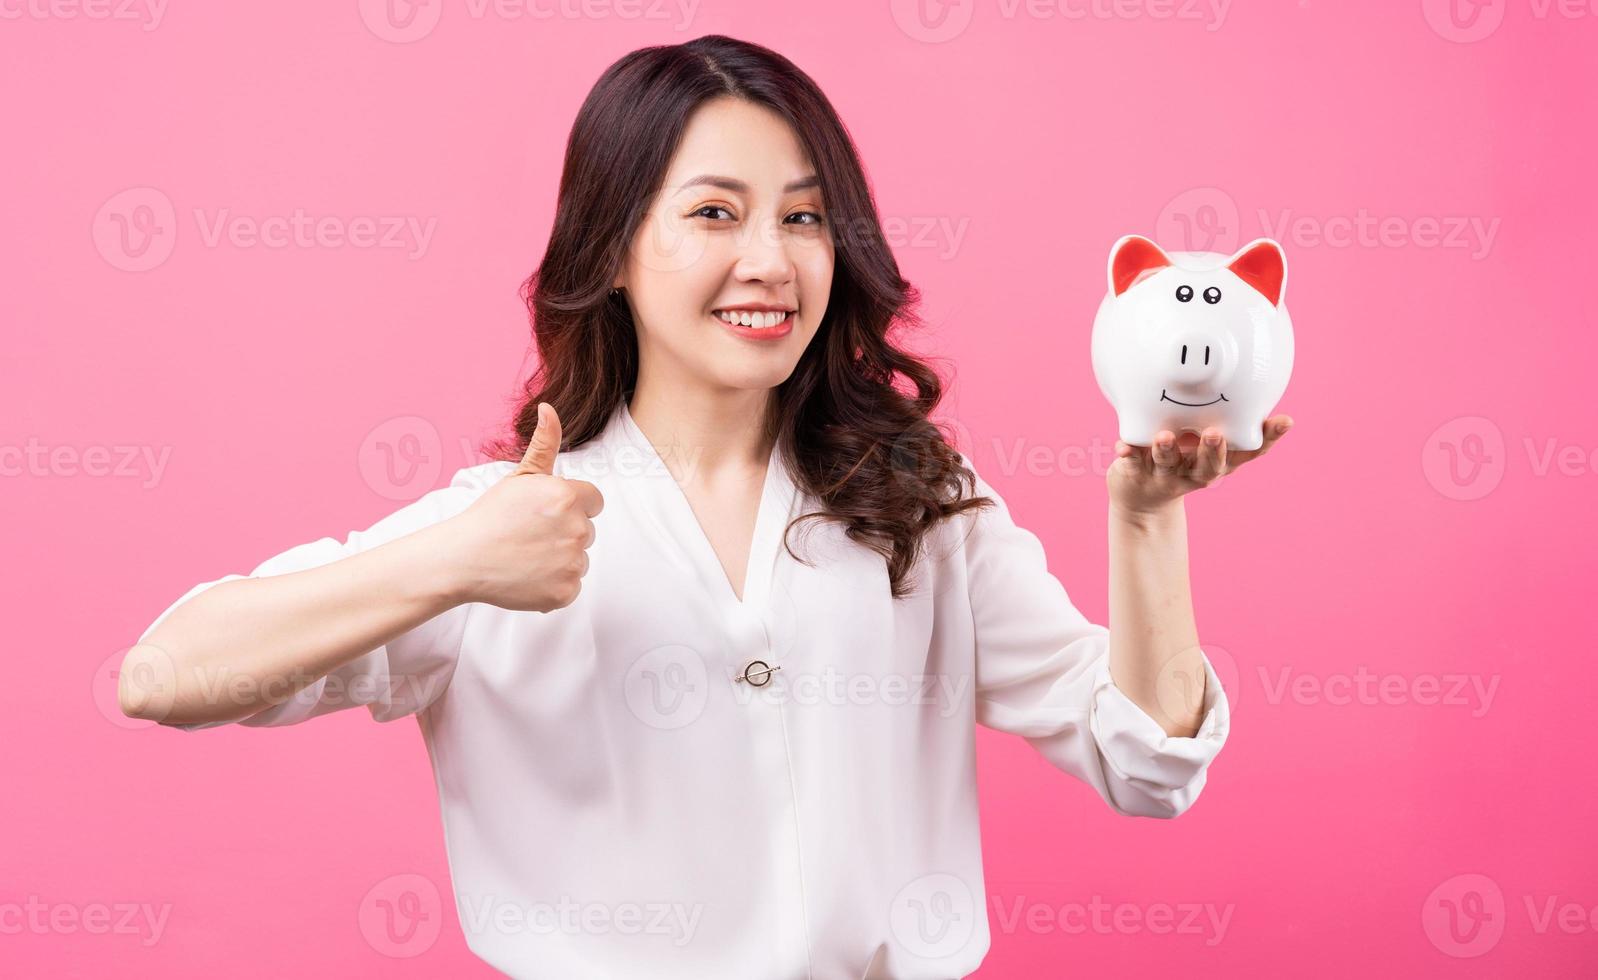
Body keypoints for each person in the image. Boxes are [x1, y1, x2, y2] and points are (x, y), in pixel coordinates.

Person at [121, 34, 1290, 980]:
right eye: (715, 213)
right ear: (614, 247)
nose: (771, 261)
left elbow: (1145, 764)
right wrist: (450, 562)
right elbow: (166, 675)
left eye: (802, 215)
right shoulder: (503, 523)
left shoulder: (919, 504)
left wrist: (1145, 519)